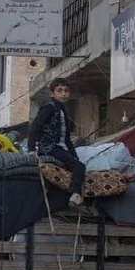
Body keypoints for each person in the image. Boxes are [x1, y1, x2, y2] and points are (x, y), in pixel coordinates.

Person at [27, 77, 87, 206]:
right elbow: (35, 127)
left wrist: (74, 156)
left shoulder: (63, 110)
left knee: (78, 165)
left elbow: (66, 139)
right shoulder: (48, 107)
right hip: (50, 148)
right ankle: (75, 195)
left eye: (66, 90)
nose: (63, 93)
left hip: (60, 148)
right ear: (52, 93)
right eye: (59, 90)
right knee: (80, 167)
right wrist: (31, 150)